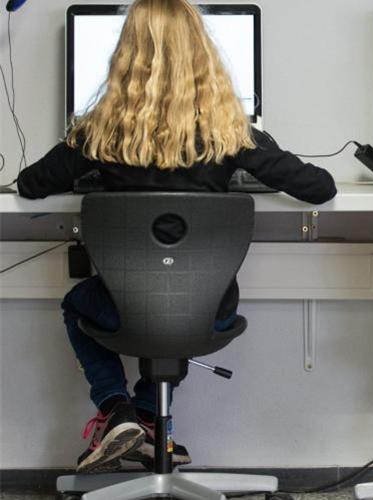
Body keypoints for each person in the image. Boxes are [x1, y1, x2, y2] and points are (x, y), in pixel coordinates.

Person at [16, 0, 336, 474]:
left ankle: (117, 409)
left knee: (78, 302)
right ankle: (144, 418)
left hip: (125, 307)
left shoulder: (98, 133)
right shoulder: (232, 134)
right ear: (203, 54)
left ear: (126, 56)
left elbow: (29, 184)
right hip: (206, 310)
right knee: (188, 292)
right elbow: (321, 188)